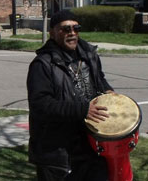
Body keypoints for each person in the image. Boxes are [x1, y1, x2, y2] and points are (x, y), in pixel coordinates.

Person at [27, 9, 114, 181]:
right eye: (66, 29)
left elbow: (99, 80)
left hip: (91, 143)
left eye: (76, 28)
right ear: (52, 33)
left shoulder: (89, 55)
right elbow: (40, 104)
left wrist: (108, 91)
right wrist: (82, 110)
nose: (72, 33)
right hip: (58, 151)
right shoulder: (42, 64)